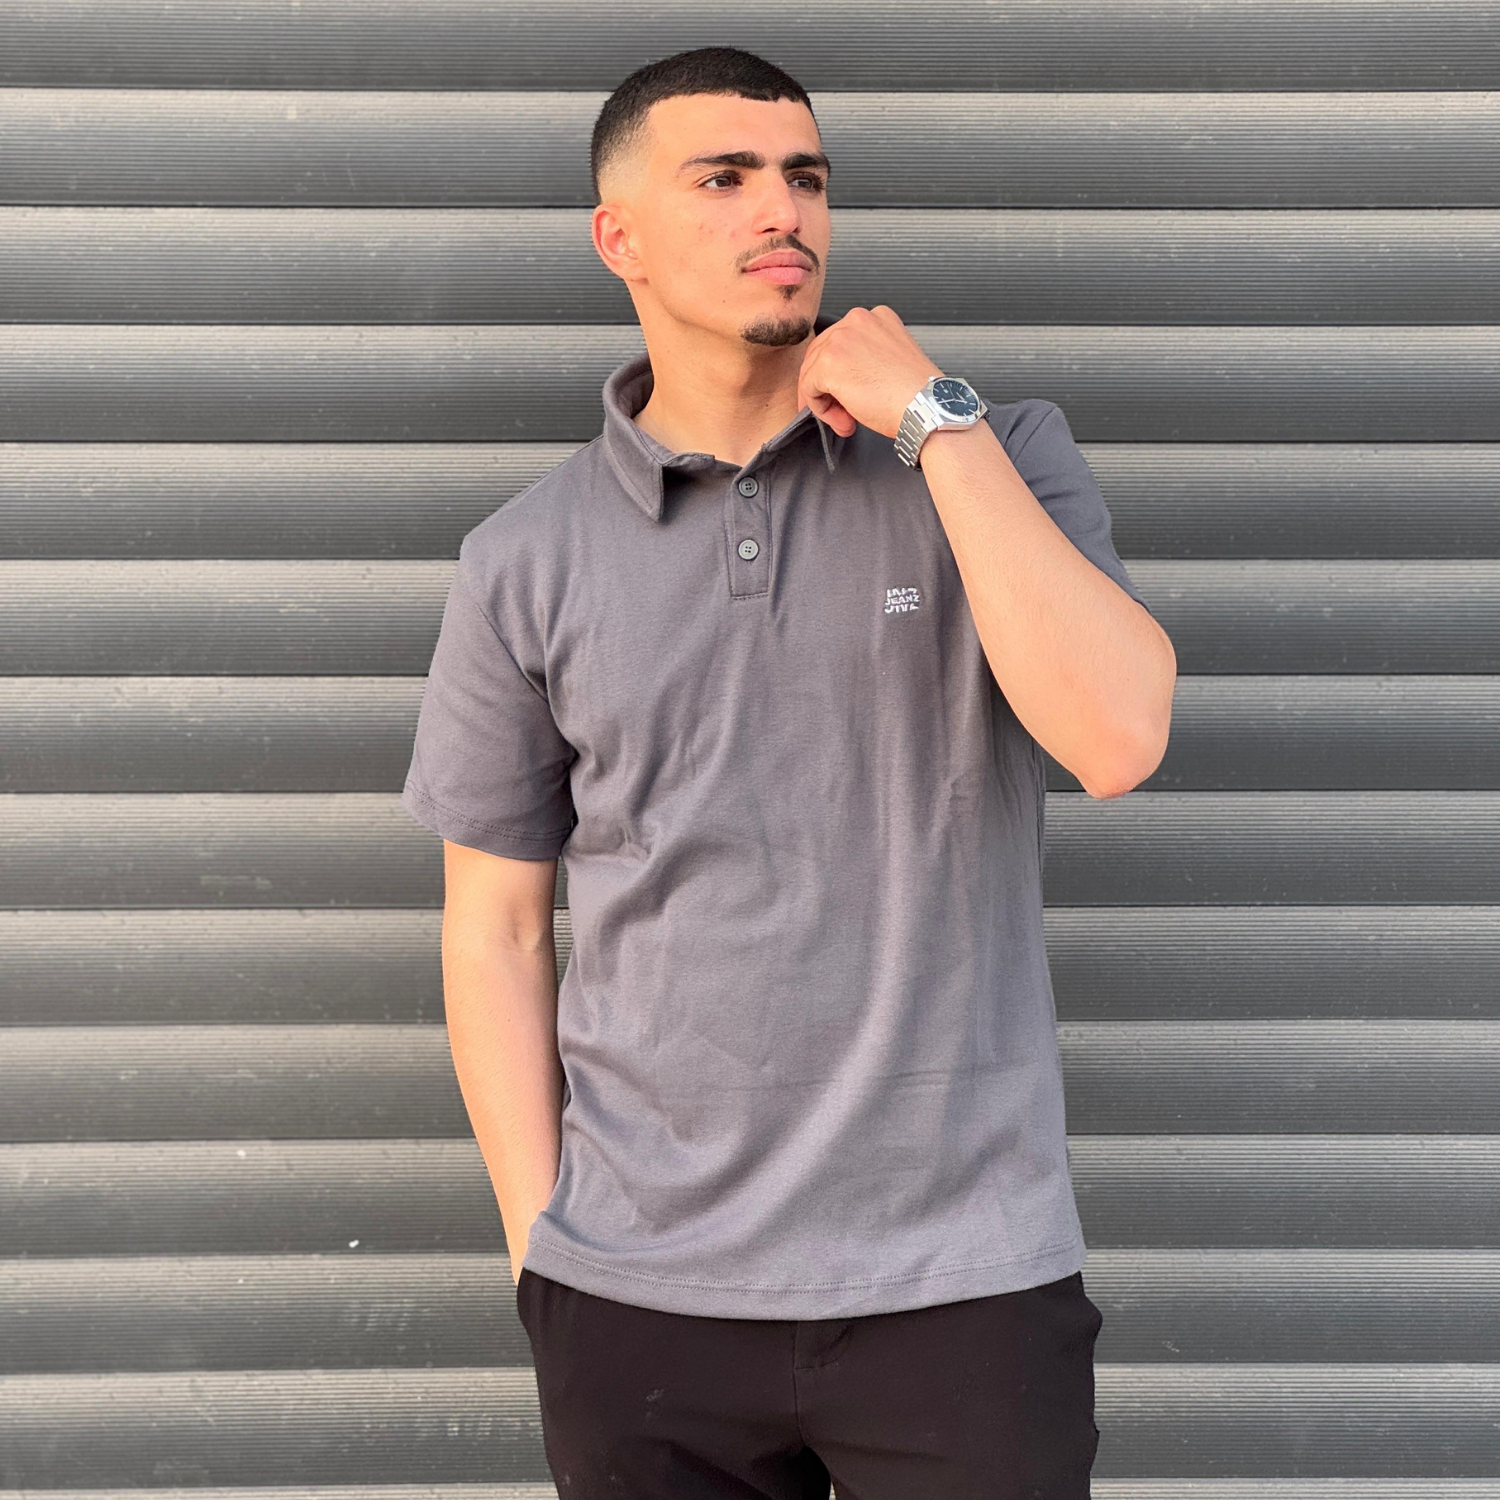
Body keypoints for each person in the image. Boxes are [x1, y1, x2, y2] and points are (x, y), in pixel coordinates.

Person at [402, 43, 1175, 1500]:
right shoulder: (524, 559)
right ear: (619, 237)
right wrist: (542, 1251)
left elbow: (1120, 738)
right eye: (726, 177)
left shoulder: (998, 456)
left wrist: (933, 419)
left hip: (962, 1285)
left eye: (806, 177)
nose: (785, 210)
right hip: (635, 1298)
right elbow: (494, 930)